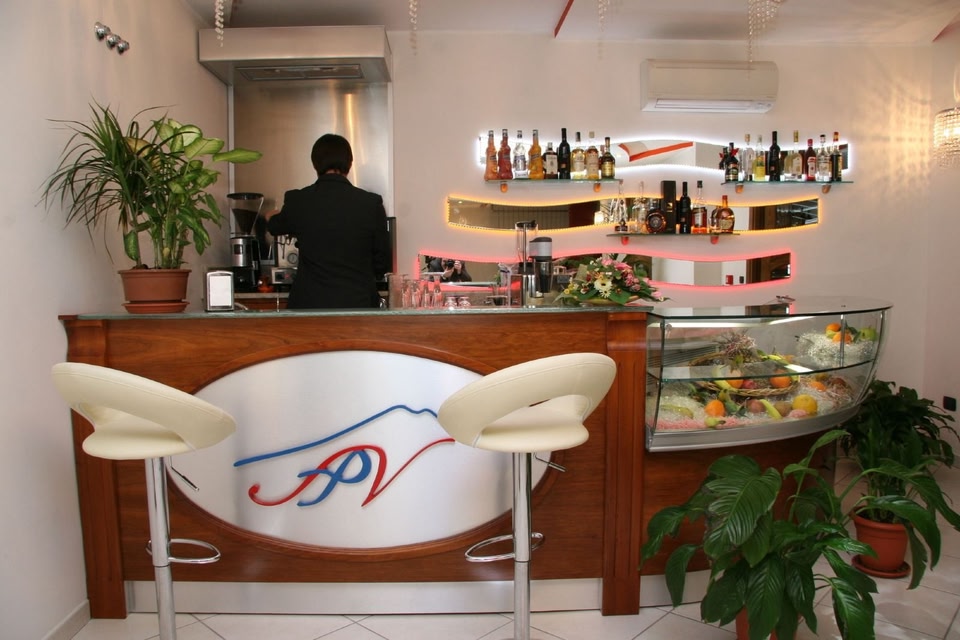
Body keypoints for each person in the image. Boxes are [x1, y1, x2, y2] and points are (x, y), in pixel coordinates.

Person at [265, 134, 391, 309]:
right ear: (350, 163)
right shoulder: (371, 204)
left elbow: (274, 226)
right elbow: (382, 262)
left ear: (315, 164)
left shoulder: (298, 201)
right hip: (358, 304)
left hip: (309, 305)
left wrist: (270, 215)